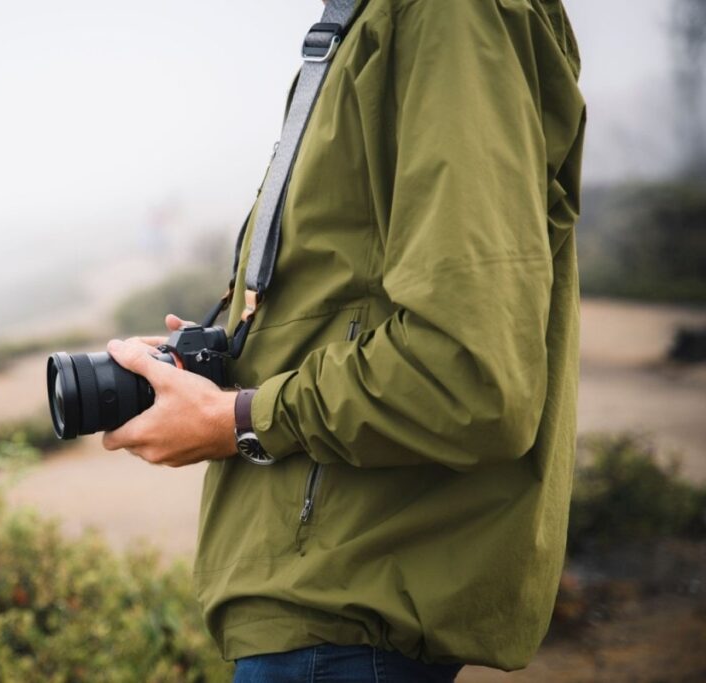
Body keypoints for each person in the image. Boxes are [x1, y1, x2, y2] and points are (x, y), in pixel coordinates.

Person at [101, 0, 585, 680]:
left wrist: (237, 420)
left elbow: (469, 372)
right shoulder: (364, 22)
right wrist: (229, 357)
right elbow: (353, 297)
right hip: (318, 601)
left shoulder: (448, 15)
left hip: (347, 614)